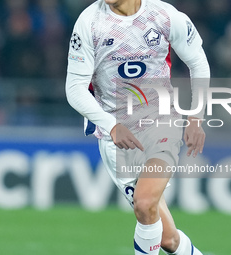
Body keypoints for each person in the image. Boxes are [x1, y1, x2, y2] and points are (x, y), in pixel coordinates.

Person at [66, 0, 210, 254]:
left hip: (160, 123)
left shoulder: (164, 16)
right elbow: (74, 88)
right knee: (168, 239)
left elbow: (198, 62)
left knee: (144, 204)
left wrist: (196, 117)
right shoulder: (89, 23)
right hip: (117, 138)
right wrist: (112, 126)